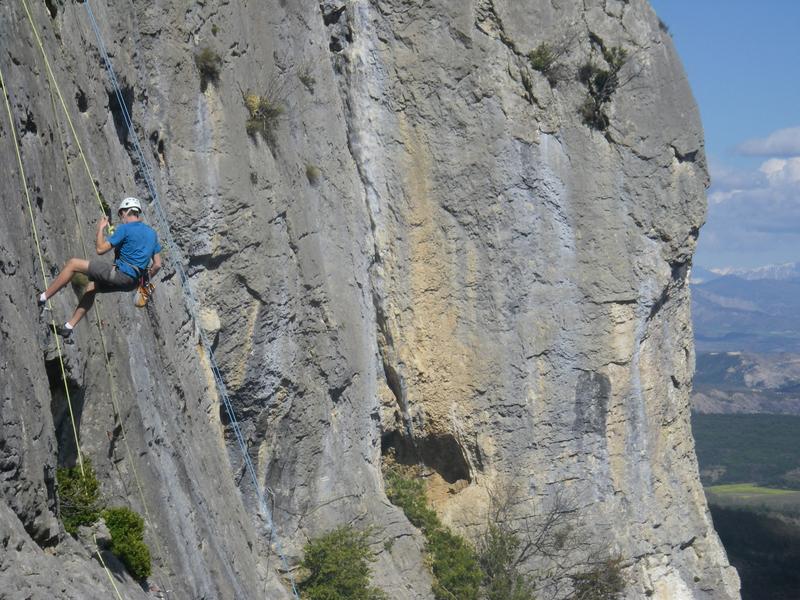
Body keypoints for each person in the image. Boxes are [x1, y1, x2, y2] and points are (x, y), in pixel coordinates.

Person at [38, 197, 162, 341]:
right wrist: (144, 281)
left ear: (126, 212)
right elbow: (157, 264)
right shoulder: (152, 234)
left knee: (72, 264)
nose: (121, 218)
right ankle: (68, 327)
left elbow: (100, 249)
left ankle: (42, 298)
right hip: (132, 283)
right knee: (92, 287)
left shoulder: (125, 229)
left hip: (120, 274)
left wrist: (101, 229)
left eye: (121, 214)